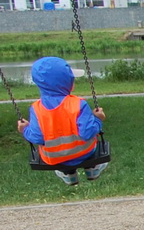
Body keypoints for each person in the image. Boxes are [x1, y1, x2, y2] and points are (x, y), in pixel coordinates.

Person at [18, 56, 108, 185]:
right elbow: (87, 133)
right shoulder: (78, 104)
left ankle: (68, 173)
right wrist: (98, 119)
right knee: (90, 148)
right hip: (84, 153)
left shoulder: (36, 108)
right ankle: (92, 168)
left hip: (53, 158)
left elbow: (37, 138)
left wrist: (24, 129)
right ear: (67, 82)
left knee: (60, 159)